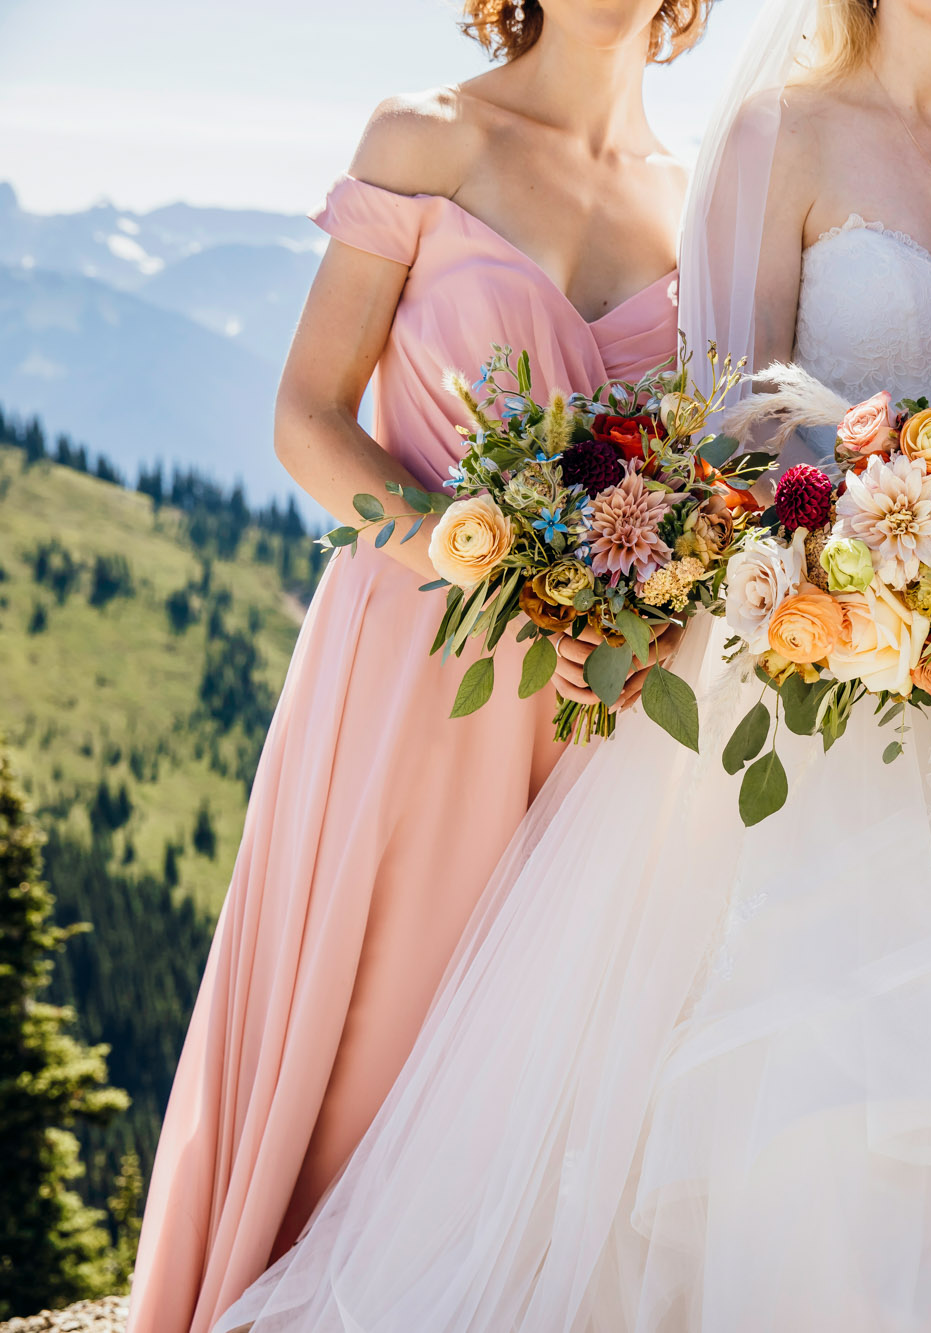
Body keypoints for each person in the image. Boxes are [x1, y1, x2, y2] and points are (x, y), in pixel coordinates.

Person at [211, 0, 931, 1326]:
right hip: (820, 704)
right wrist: (872, 571)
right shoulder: (770, 136)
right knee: (826, 1118)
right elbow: (724, 443)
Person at [128, 3, 695, 1329]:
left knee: (536, 1076)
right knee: (370, 1050)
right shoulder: (426, 136)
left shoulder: (696, 195)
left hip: (599, 710)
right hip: (417, 670)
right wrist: (484, 557)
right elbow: (307, 415)